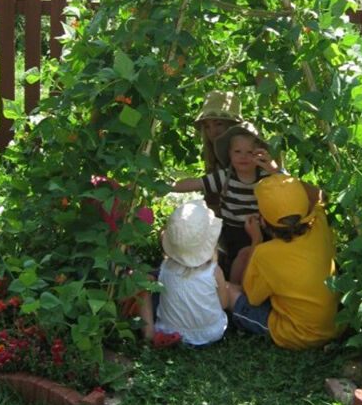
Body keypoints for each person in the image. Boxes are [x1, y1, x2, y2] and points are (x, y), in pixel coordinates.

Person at [227, 173, 340, 350]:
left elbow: (251, 298)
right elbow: (320, 196)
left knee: (230, 291)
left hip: (300, 335)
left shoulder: (264, 253)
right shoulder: (320, 224)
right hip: (336, 327)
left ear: (263, 220)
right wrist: (277, 170)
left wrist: (256, 240)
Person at [172, 121, 280, 280]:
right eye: (237, 151)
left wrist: (274, 169)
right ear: (229, 154)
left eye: (249, 152)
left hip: (260, 227)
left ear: (259, 154)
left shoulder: (265, 177)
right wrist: (168, 187)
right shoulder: (226, 176)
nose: (243, 156)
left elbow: (287, 185)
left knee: (266, 255)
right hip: (233, 229)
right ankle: (234, 288)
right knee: (242, 255)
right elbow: (197, 183)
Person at [137, 199, 229, 347]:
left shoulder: (166, 267)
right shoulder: (213, 271)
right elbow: (224, 304)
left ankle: (149, 333)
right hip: (211, 334)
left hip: (168, 330)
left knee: (142, 284)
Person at [193, 90, 243, 212]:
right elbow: (212, 204)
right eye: (207, 126)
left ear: (233, 125)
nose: (213, 131)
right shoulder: (214, 161)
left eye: (219, 124)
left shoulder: (250, 155)